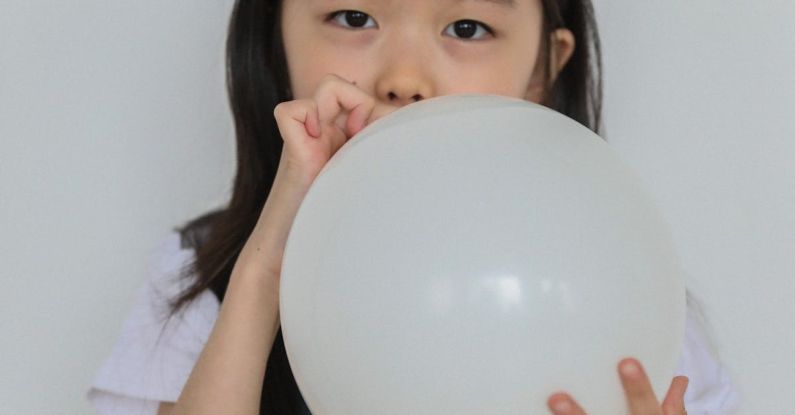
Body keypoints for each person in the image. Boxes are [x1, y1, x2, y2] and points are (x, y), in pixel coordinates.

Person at [87, 0, 740, 414]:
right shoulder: (202, 280)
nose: (404, 77)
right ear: (274, 28)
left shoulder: (631, 309)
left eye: (466, 27)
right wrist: (266, 272)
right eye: (353, 18)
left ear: (544, 66)